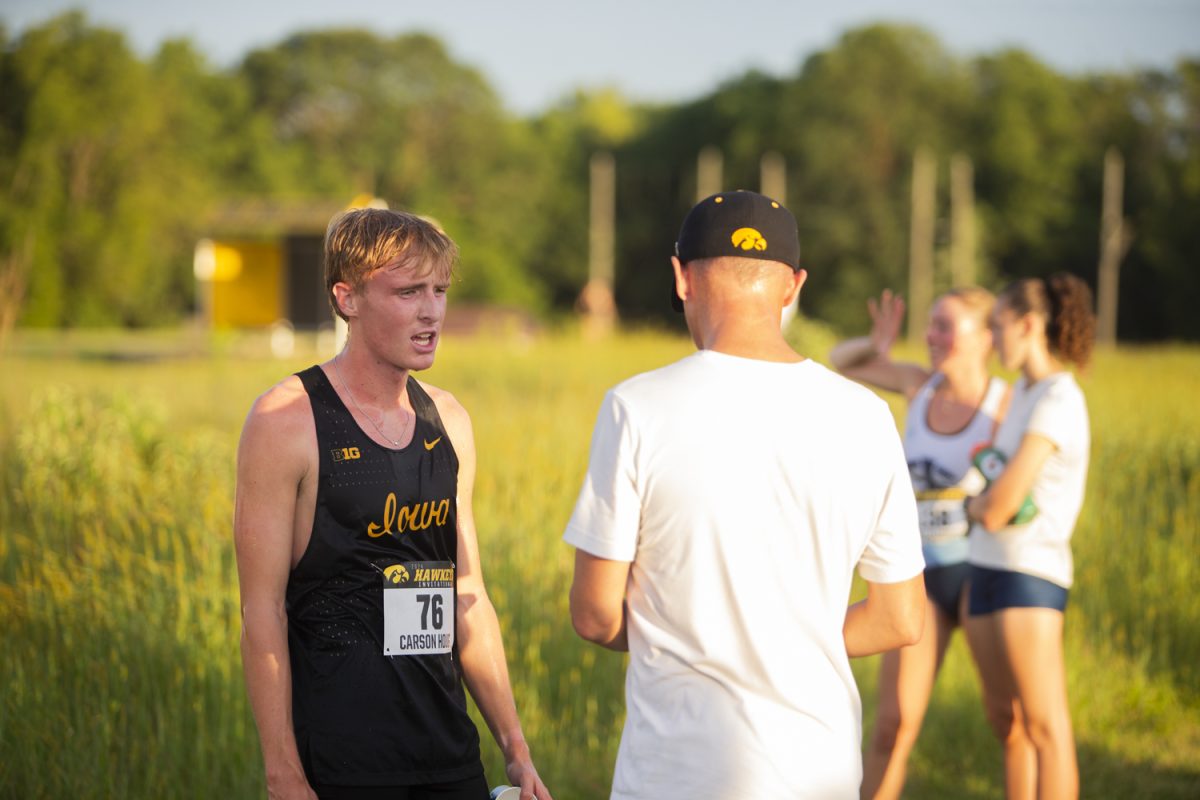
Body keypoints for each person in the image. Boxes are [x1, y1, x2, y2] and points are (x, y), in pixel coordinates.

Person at [564, 190, 927, 799]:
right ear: (793, 287)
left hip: (676, 773)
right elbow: (900, 617)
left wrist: (691, 630)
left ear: (681, 277)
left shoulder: (636, 407)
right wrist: (787, 636)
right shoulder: (866, 416)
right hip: (821, 769)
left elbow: (595, 613)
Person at [234, 208, 552, 800]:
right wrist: (283, 774)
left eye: (439, 291)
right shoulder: (286, 419)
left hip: (448, 756)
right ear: (347, 298)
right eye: (408, 292)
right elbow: (261, 611)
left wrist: (515, 748)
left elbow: (467, 596)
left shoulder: (449, 420)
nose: (431, 311)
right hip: (339, 764)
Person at [829, 287, 1008, 799]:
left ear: (985, 338)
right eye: (930, 325)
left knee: (1006, 718)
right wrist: (875, 342)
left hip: (980, 573)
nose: (931, 336)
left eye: (945, 326)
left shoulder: (1006, 405)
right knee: (892, 725)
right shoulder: (918, 384)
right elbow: (841, 362)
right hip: (920, 581)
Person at [963, 274, 1095, 800]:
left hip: (1029, 575)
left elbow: (998, 507)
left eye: (997, 327)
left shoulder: (1059, 399)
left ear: (1029, 324)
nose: (992, 340)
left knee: (1045, 728)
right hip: (985, 568)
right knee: (1008, 724)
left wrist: (973, 505)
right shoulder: (1022, 391)